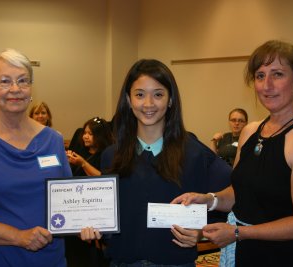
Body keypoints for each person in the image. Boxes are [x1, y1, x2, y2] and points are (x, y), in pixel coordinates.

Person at [172, 40, 293, 266]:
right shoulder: (250, 131)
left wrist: (238, 233)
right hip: (247, 253)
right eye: (260, 76)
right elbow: (241, 192)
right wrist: (210, 200)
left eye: (277, 74)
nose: (267, 85)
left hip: (287, 257)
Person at [80, 59, 232, 266]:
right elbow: (108, 218)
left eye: (158, 94)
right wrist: (93, 228)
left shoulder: (194, 153)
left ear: (170, 100)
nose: (148, 104)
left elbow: (230, 195)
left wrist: (200, 233)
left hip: (175, 262)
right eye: (140, 94)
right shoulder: (111, 156)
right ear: (128, 99)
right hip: (123, 262)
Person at [0, 48, 72, 267]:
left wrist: (89, 222)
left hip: (49, 260)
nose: (15, 89)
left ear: (31, 87)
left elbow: (69, 202)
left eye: (23, 80)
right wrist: (18, 236)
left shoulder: (53, 140)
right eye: (5, 81)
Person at [64, 117, 114, 267]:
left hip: (95, 212)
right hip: (76, 210)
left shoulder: (108, 155)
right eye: (85, 133)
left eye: (90, 134)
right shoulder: (82, 153)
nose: (85, 136)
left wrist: (83, 164)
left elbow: (105, 181)